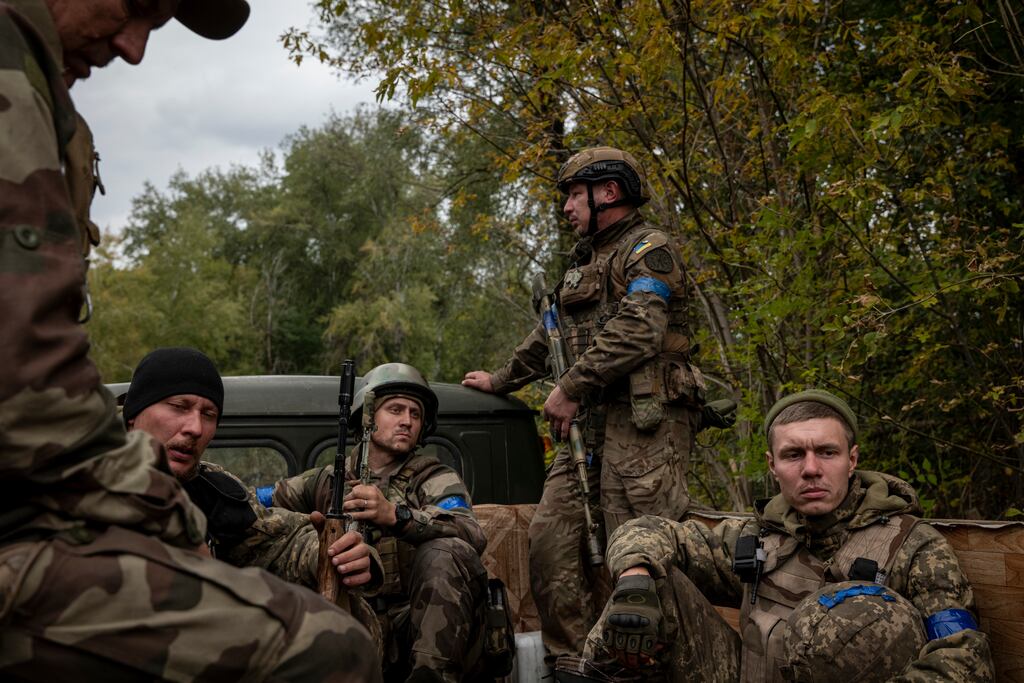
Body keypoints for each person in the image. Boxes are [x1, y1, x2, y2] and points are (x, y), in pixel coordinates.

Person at [0, 1, 380, 680]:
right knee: (327, 647)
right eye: (137, 7)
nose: (135, 48)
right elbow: (27, 371)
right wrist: (163, 512)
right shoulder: (12, 78)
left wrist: (358, 546)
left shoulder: (221, 492)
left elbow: (283, 527)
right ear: (129, 412)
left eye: (208, 413)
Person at [463, 146, 704, 663]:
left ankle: (645, 667)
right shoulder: (585, 263)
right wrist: (502, 379)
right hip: (584, 432)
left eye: (575, 195)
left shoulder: (648, 248)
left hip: (643, 428)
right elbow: (553, 334)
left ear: (608, 192)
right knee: (551, 544)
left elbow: (641, 327)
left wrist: (569, 387)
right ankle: (577, 664)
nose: (567, 207)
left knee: (632, 552)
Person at [577, 390, 994, 682]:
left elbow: (964, 656)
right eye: (794, 454)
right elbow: (649, 529)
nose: (811, 469)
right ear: (773, 466)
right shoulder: (756, 537)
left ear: (852, 460)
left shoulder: (912, 545)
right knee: (652, 584)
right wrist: (634, 576)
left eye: (826, 452)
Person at [270, 362, 492, 683]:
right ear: (367, 417)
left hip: (416, 628)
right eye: (396, 410)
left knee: (447, 552)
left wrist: (396, 516)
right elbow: (260, 503)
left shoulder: (431, 476)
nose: (407, 421)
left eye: (415, 414)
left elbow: (469, 532)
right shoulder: (328, 480)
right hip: (353, 619)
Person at [122, 347, 383, 597]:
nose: (196, 428)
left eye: (208, 414)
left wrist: (333, 554)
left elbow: (278, 540)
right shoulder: (85, 479)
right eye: (179, 406)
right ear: (134, 414)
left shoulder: (208, 489)